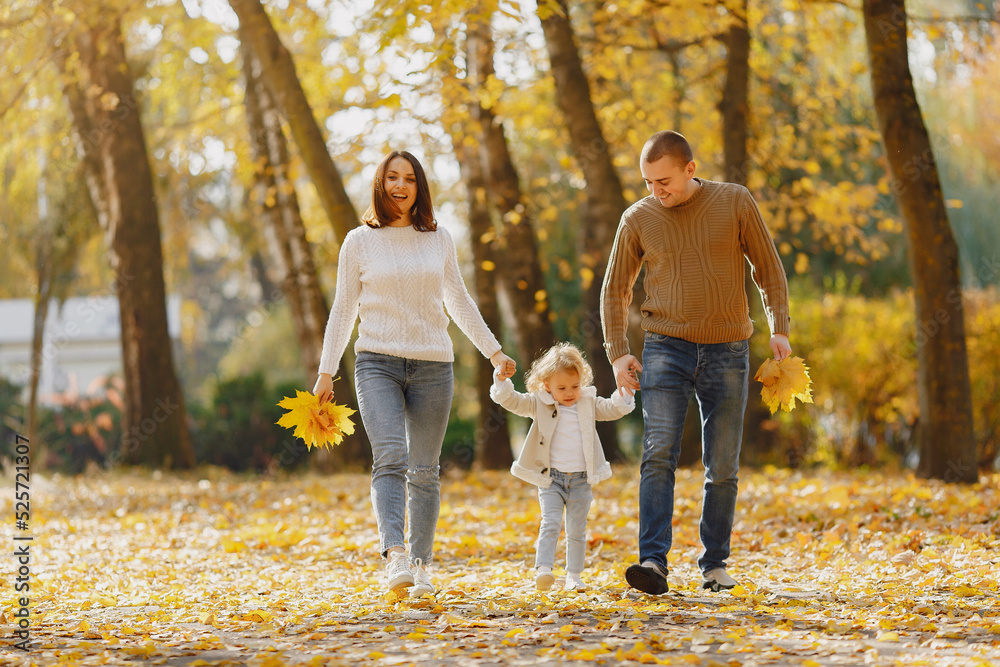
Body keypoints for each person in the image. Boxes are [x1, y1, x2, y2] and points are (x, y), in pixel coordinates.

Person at [313, 150, 517, 597]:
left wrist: (494, 352)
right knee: (390, 456)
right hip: (376, 362)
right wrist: (327, 371)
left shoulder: (437, 238)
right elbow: (344, 309)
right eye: (392, 177)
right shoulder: (358, 242)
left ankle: (422, 567)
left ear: (419, 186)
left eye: (409, 178)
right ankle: (396, 557)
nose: (400, 186)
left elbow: (458, 301)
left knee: (424, 470)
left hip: (433, 365)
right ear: (380, 184)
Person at [600, 131, 791, 595]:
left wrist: (779, 325)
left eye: (663, 181)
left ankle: (715, 564)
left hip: (728, 347)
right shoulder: (638, 217)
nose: (655, 191)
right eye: (647, 182)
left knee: (722, 463)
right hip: (665, 345)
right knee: (658, 452)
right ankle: (652, 561)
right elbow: (615, 288)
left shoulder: (734, 201)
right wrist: (619, 351)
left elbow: (767, 267)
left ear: (690, 168)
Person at [490, 342, 634, 591]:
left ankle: (574, 576)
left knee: (577, 529)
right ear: (547, 386)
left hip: (580, 479)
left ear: (582, 382)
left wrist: (626, 393)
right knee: (551, 522)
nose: (570, 393)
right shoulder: (539, 403)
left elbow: (613, 409)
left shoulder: (587, 403)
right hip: (552, 479)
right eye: (562, 388)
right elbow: (513, 402)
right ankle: (544, 569)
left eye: (575, 386)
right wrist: (501, 381)